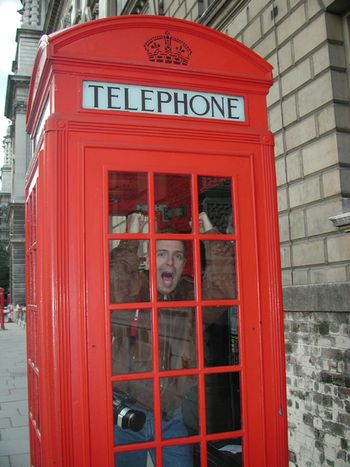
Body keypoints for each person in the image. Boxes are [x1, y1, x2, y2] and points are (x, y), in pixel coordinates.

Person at [110, 212, 236, 467]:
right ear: (149, 259)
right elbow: (114, 284)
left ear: (183, 263)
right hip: (127, 416)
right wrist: (130, 238)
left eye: (178, 256)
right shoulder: (135, 289)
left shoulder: (189, 294)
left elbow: (224, 292)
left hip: (171, 418)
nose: (170, 262)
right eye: (162, 254)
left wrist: (210, 236)